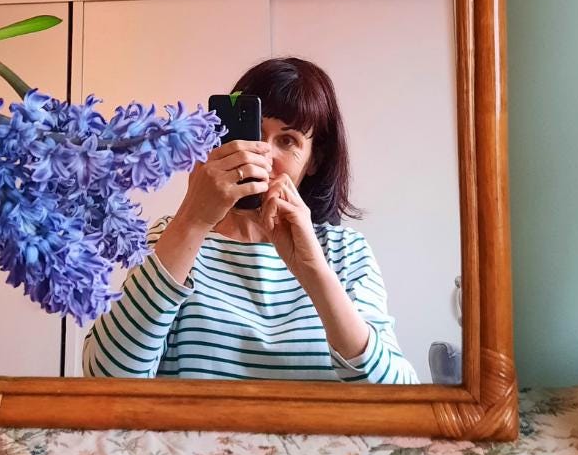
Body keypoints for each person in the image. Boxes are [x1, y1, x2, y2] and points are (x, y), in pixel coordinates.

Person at [82, 57, 418, 383]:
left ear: (313, 161)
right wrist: (192, 219)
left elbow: (400, 396)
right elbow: (107, 376)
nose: (263, 154)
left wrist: (314, 271)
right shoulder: (172, 236)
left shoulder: (347, 252)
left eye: (287, 141)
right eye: (252, 132)